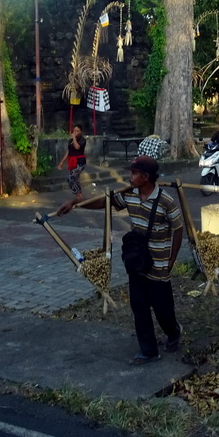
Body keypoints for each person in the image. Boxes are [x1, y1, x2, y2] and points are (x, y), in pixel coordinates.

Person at [58, 155, 183, 365]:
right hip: (137, 262)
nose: (129, 176)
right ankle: (149, 350)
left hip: (160, 264)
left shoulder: (166, 201)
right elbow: (104, 202)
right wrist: (75, 203)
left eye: (133, 173)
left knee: (163, 309)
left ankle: (173, 332)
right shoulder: (129, 195)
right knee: (139, 305)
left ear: (146, 177)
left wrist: (171, 261)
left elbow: (178, 229)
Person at [57, 123, 87, 203]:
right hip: (72, 161)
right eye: (74, 131)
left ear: (81, 132)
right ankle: (80, 195)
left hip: (80, 162)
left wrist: (74, 138)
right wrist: (62, 162)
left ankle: (78, 194)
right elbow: (68, 152)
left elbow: (77, 147)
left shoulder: (82, 140)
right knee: (75, 179)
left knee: (71, 178)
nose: (76, 132)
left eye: (77, 131)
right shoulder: (70, 141)